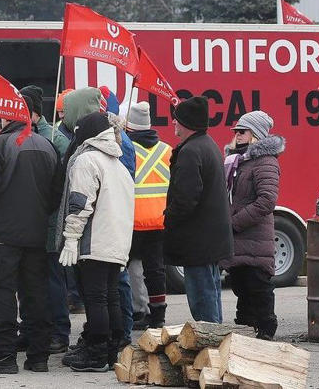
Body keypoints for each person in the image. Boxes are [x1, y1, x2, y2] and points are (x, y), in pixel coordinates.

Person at [0, 97, 62, 375]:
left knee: (1, 295)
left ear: (5, 117)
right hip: (35, 233)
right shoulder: (47, 144)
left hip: (2, 234)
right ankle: (38, 356)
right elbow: (55, 192)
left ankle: (4, 355)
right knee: (35, 293)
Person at [58, 112, 134, 372]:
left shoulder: (87, 160)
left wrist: (71, 238)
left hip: (94, 242)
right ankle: (113, 350)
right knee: (110, 297)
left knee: (95, 299)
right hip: (116, 242)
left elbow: (80, 203)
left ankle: (96, 352)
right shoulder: (119, 165)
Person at [164, 96, 233, 323]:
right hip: (209, 240)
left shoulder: (190, 152)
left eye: (176, 120)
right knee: (210, 297)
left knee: (203, 304)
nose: (173, 123)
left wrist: (169, 218)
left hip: (198, 242)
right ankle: (218, 347)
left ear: (186, 124)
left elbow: (185, 199)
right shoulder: (207, 145)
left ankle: (212, 350)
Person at [221, 111, 283, 340]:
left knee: (257, 285)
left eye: (242, 131)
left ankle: (266, 328)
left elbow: (267, 200)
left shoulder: (265, 161)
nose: (237, 135)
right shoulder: (237, 160)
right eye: (236, 131)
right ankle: (246, 328)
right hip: (238, 238)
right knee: (240, 285)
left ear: (255, 134)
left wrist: (234, 223)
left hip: (254, 236)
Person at [18, 85, 71, 354]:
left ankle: (60, 332)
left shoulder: (55, 138)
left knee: (52, 279)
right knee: (28, 280)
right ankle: (30, 329)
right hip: (27, 220)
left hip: (50, 220)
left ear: (33, 111)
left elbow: (62, 182)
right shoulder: (19, 136)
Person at [125, 101, 172, 329]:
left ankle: (137, 310)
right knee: (156, 270)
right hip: (159, 219)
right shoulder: (167, 150)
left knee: (132, 266)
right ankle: (158, 315)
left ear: (129, 126)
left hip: (132, 220)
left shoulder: (126, 148)